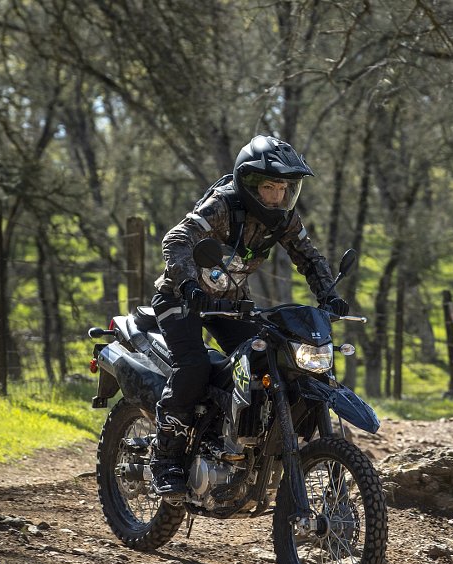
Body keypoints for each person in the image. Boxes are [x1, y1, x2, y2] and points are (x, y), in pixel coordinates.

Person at [149, 135, 349, 500]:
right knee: (194, 366)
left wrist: (329, 295)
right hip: (181, 297)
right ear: (250, 184)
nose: (277, 196)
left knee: (266, 359)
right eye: (269, 187)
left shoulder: (283, 218)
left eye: (284, 188)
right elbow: (176, 239)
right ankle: (166, 459)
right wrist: (189, 285)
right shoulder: (223, 205)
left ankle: (239, 441)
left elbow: (309, 257)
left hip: (231, 302)